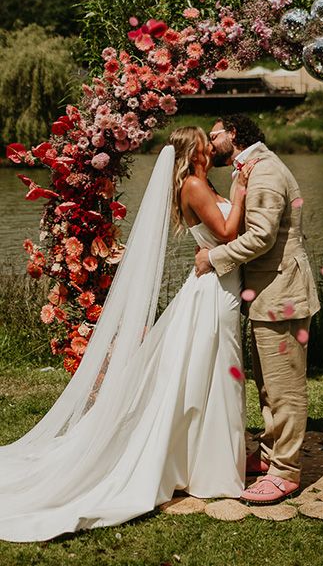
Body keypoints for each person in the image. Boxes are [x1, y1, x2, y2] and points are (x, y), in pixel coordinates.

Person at [0, 127, 257, 543]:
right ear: (194, 152)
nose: (213, 147)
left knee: (209, 372)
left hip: (218, 284)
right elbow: (227, 233)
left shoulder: (200, 181)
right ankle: (210, 468)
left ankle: (203, 461)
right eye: (206, 143)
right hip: (214, 290)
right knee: (214, 368)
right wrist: (241, 191)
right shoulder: (193, 184)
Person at [195, 115, 320, 507]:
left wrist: (214, 258)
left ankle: (285, 472)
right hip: (267, 292)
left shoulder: (264, 171)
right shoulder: (249, 169)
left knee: (285, 387)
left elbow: (263, 238)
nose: (209, 142)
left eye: (213, 135)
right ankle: (269, 455)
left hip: (282, 292)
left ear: (232, 134)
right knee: (268, 384)